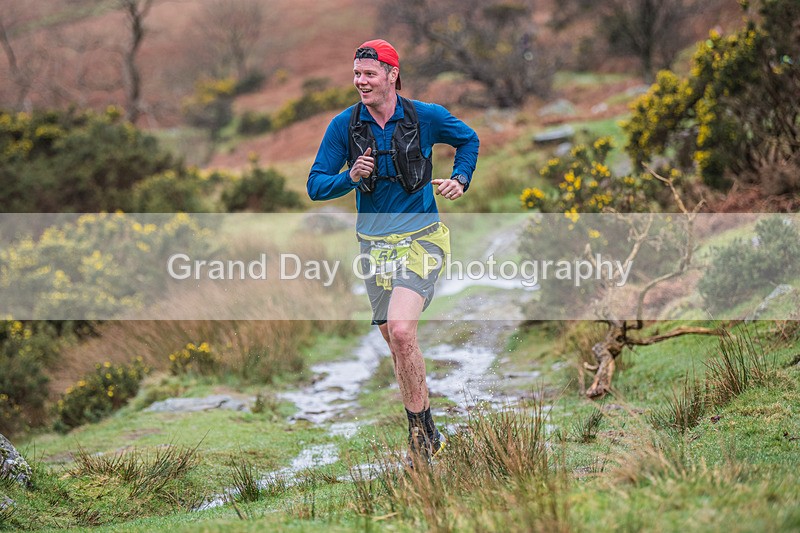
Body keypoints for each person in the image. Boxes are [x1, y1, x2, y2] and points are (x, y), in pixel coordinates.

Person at [307, 39, 479, 464]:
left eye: (368, 74)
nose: (360, 82)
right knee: (395, 341)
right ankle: (427, 431)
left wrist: (460, 177)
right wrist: (350, 176)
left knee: (402, 331)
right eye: (356, 75)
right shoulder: (343, 127)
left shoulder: (426, 116)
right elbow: (315, 185)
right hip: (373, 247)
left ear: (391, 74)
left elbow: (469, 140)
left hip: (421, 238)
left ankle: (419, 444)